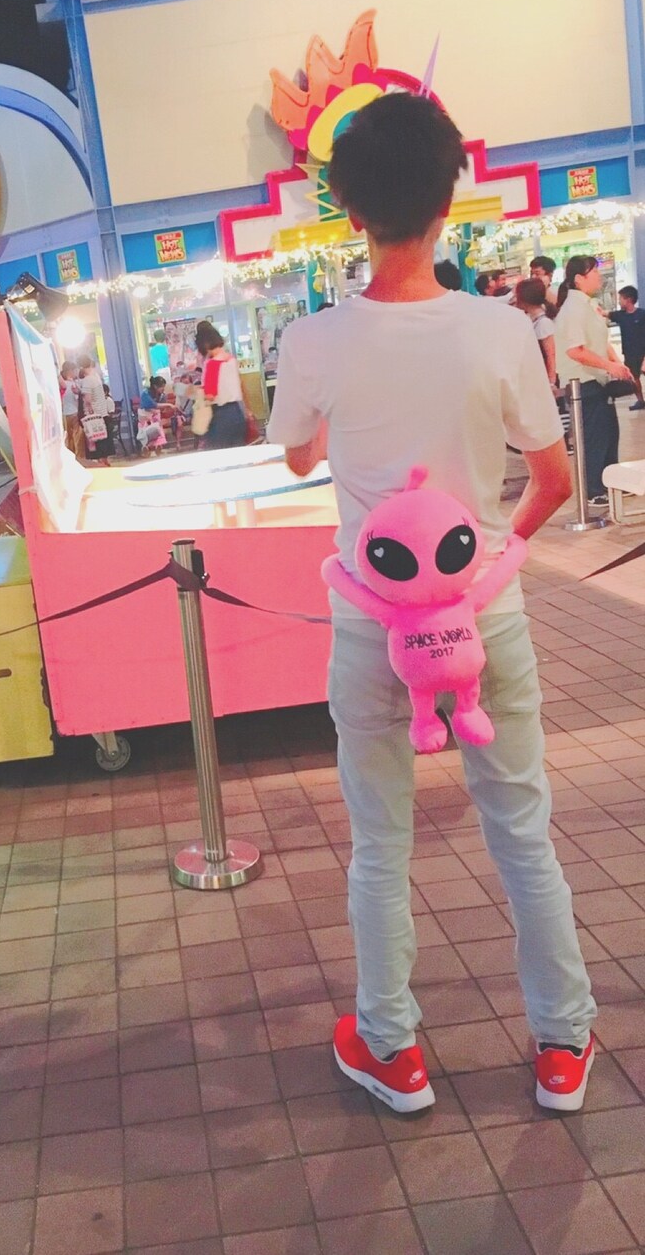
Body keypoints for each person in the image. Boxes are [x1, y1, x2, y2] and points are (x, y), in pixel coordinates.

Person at [269, 90, 596, 1116]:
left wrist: (345, 418)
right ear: (448, 201)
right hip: (484, 621)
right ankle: (562, 1045)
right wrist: (491, 556)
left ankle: (393, 1050)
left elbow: (297, 455)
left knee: (380, 843)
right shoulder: (499, 329)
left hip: (373, 624)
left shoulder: (312, 340)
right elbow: (552, 477)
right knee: (522, 828)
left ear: (349, 209)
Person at [554, 256, 634, 505]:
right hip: (582, 381)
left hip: (597, 379)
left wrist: (616, 362)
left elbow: (600, 340)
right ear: (579, 278)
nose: (599, 276)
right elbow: (575, 350)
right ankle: (594, 490)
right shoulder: (573, 308)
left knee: (609, 433)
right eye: (594, 272)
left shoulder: (589, 305)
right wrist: (609, 365)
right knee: (595, 437)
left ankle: (611, 482)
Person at [195, 320, 246, 449]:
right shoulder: (231, 359)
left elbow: (210, 395)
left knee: (218, 454)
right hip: (237, 412)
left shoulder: (212, 364)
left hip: (221, 416)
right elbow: (240, 385)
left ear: (204, 345)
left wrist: (193, 392)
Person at [608, 284, 645, 410]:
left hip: (642, 353)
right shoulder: (620, 315)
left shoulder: (642, 315)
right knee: (634, 378)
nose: (619, 301)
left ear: (628, 299)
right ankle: (640, 401)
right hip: (629, 353)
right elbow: (604, 313)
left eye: (620, 298)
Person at [515, 278, 557, 382]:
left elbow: (551, 355)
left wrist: (551, 381)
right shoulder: (533, 320)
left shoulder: (543, 323)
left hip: (545, 379)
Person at [60, 361, 84, 459]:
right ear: (69, 371)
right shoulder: (73, 385)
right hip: (74, 413)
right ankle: (79, 457)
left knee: (68, 438)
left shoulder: (60, 385)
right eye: (74, 370)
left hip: (64, 414)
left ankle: (70, 456)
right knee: (78, 437)